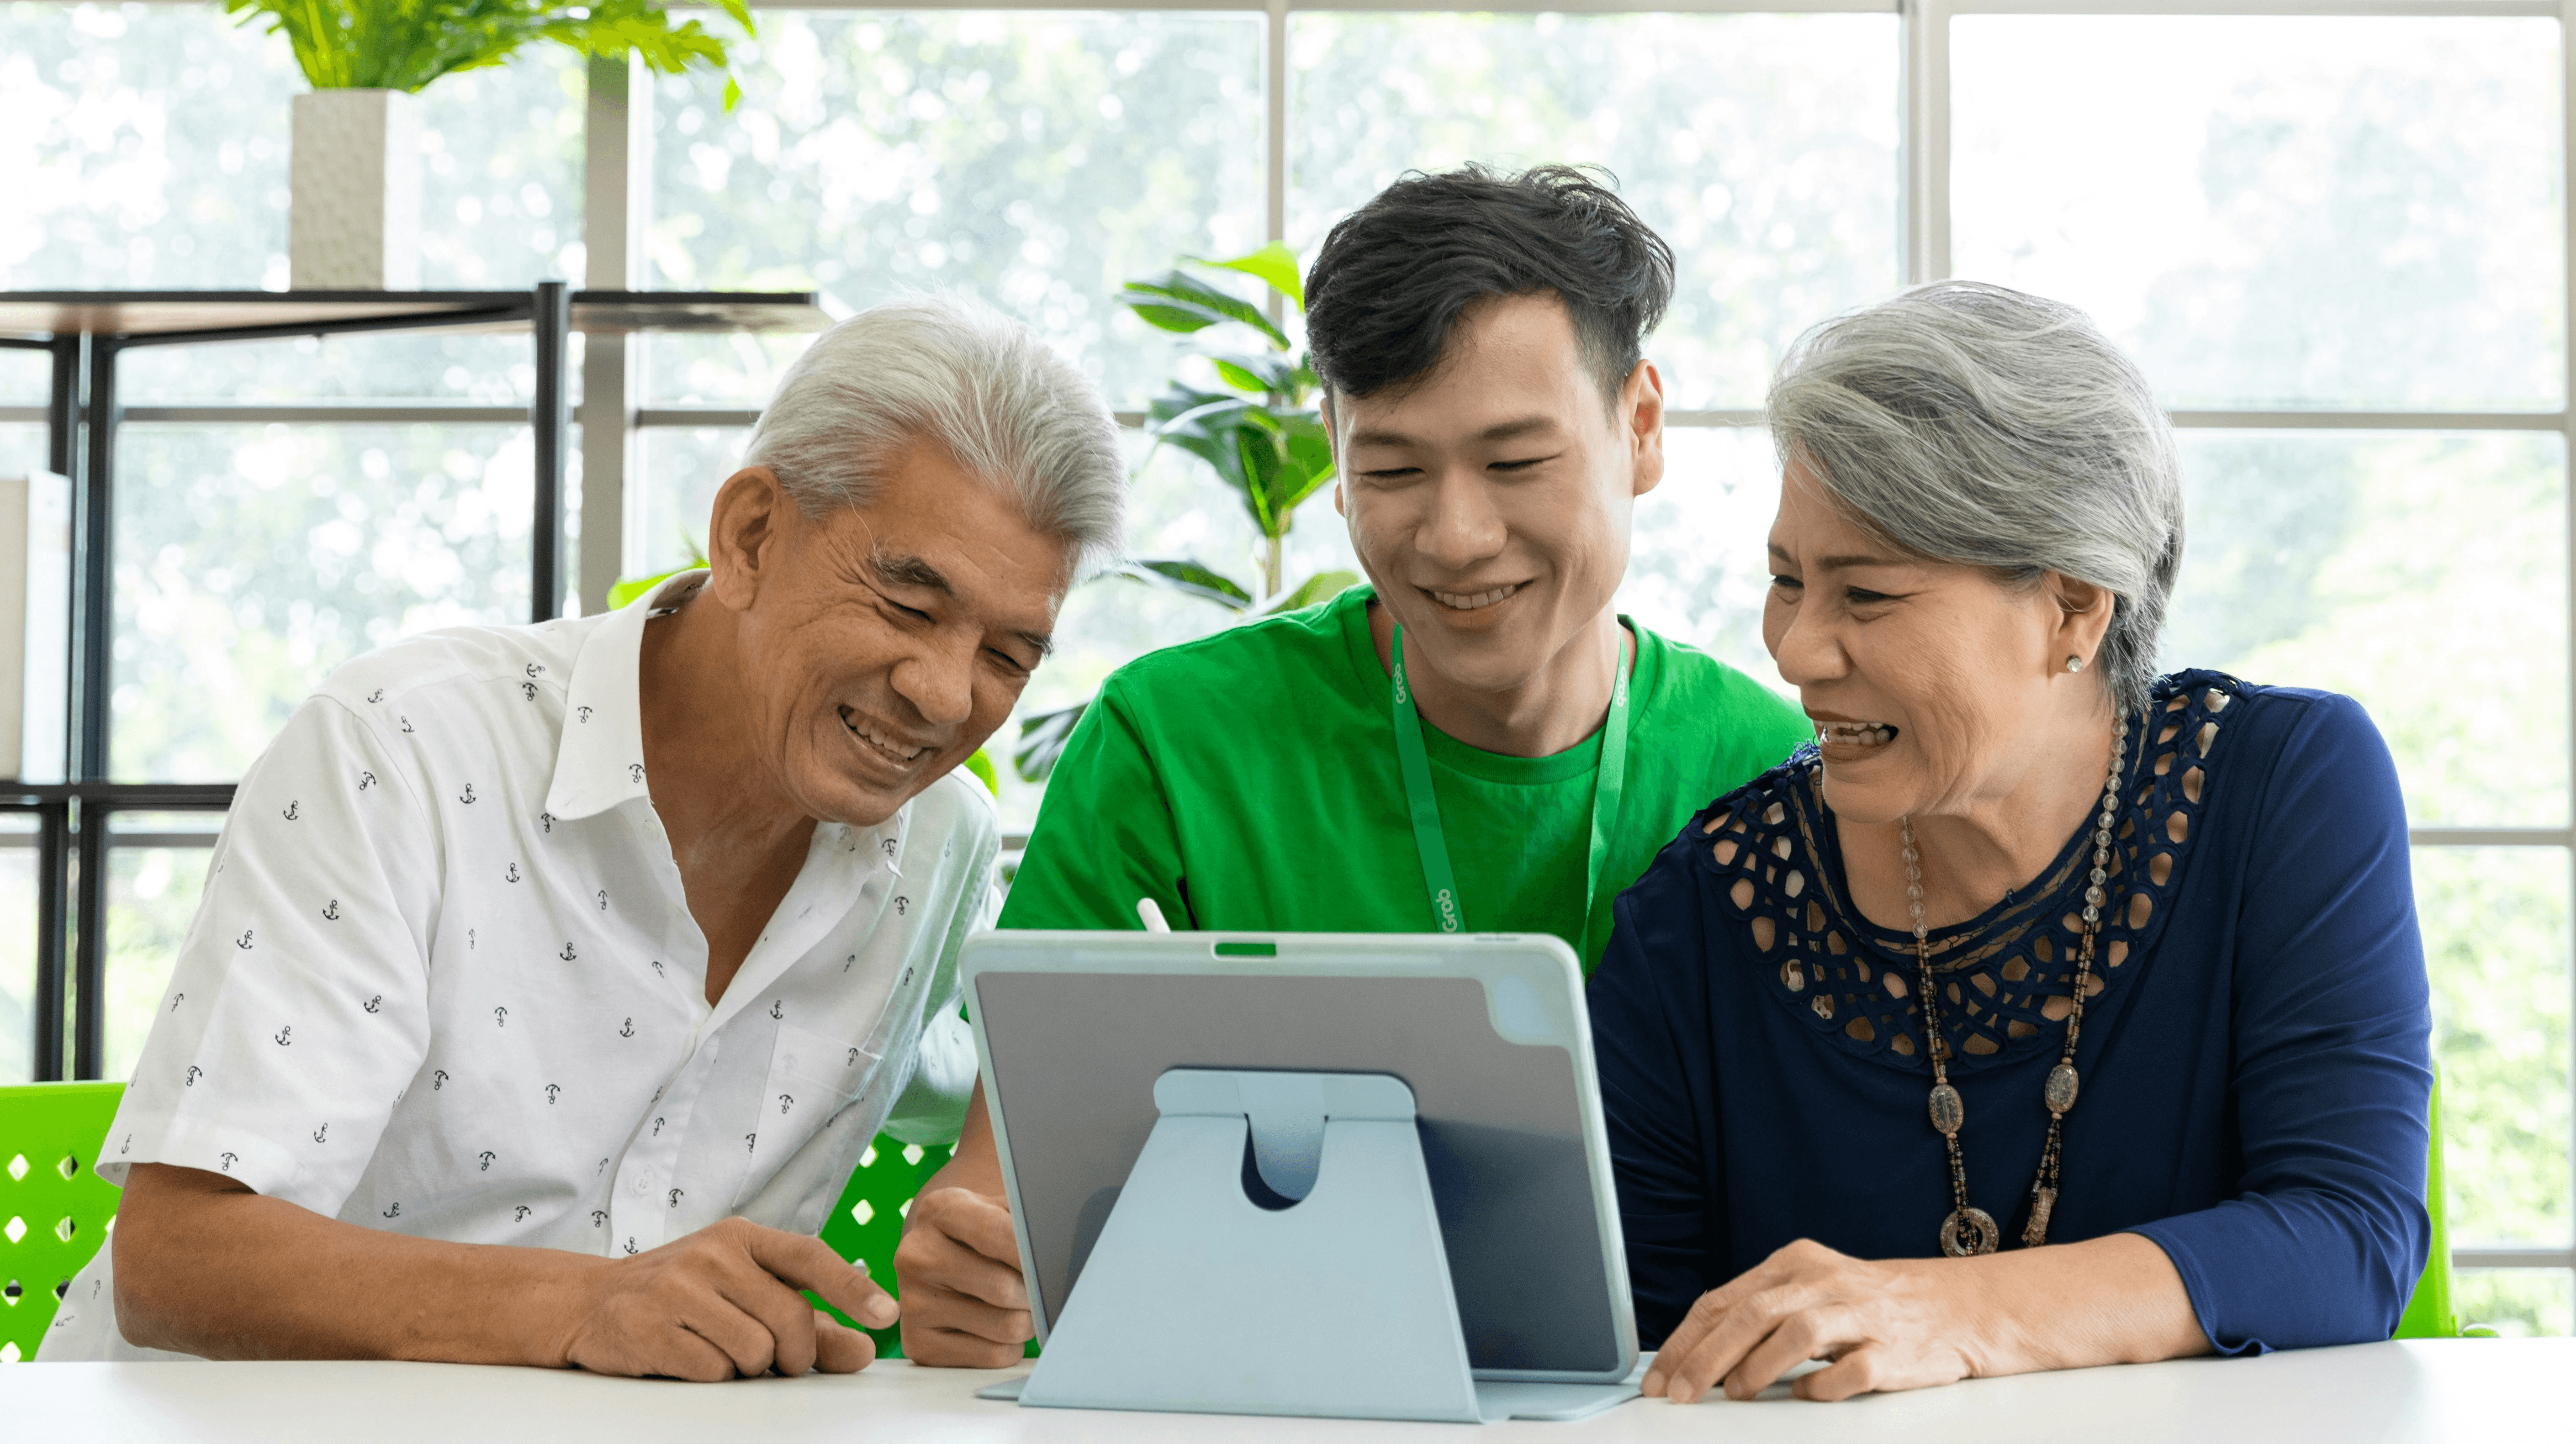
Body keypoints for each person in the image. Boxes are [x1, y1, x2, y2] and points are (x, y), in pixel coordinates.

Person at [39, 297, 1127, 1377]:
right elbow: (180, 1260)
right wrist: (584, 1306)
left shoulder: (937, 848)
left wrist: (979, 1259)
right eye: (906, 604)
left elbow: (1005, 1080)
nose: (943, 696)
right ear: (749, 536)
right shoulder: (406, 746)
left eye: (1008, 656)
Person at [894, 164, 1814, 1367]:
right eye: (1388, 470)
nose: (1453, 536)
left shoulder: (1775, 772)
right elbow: (1002, 1189)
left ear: (1638, 427)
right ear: (1332, 449)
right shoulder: (1174, 743)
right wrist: (976, 1271)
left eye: (1513, 462)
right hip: (1253, 1388)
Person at [1588, 281, 2433, 1403]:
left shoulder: (2282, 785)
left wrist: (1953, 1312)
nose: (1795, 649)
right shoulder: (1695, 918)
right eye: (1787, 580)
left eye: (1868, 595)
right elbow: (1629, 1367)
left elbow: (2346, 1232)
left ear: (2072, 610)